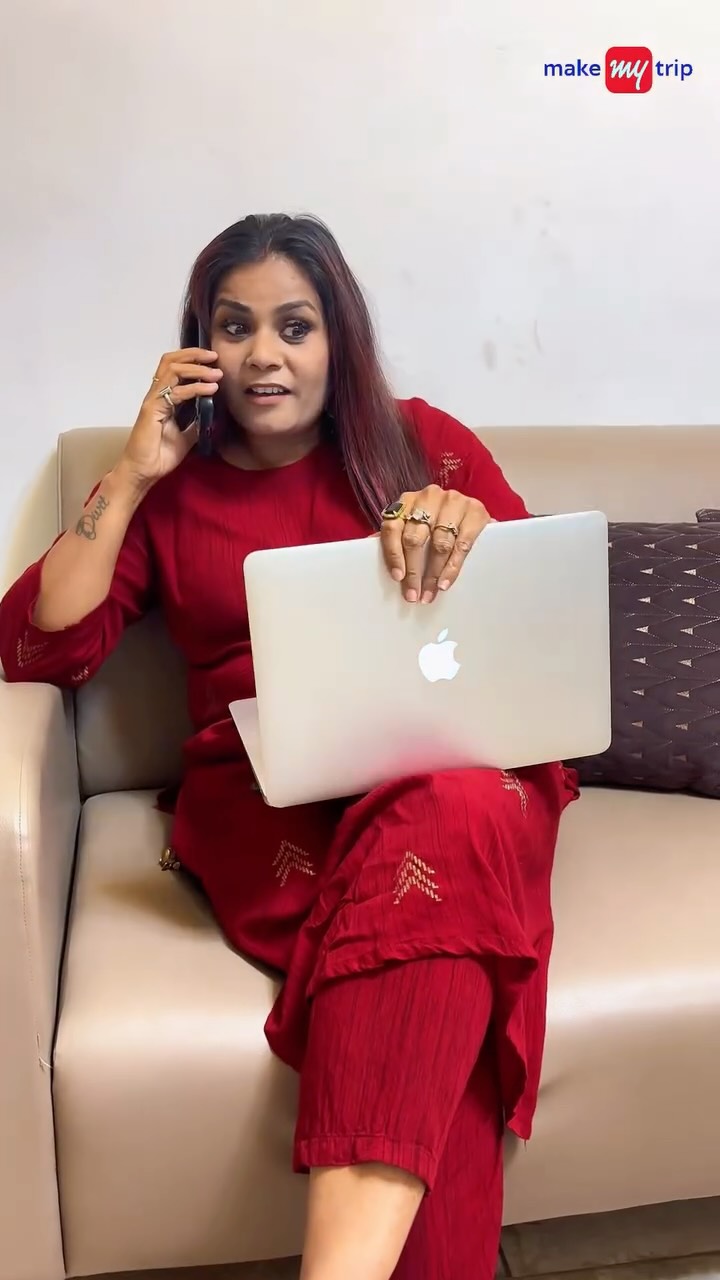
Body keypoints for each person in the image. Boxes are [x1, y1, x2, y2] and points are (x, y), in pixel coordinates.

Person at [0, 213, 578, 1280]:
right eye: (235, 327)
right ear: (200, 346)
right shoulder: (174, 492)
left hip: (456, 771)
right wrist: (132, 471)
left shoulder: (423, 442)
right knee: (440, 967)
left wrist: (475, 532)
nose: (264, 354)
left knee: (449, 810)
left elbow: (544, 620)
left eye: (295, 326)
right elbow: (36, 645)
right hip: (269, 794)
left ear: (337, 337)